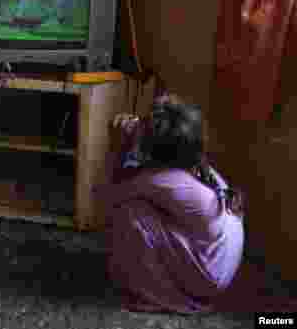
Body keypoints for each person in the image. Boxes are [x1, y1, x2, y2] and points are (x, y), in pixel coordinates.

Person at [95, 94, 245, 314]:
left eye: (144, 124)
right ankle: (174, 285)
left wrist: (117, 146)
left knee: (130, 212)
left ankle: (166, 298)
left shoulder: (162, 179)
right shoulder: (192, 166)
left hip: (209, 278)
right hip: (218, 268)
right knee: (139, 202)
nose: (138, 123)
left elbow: (106, 197)